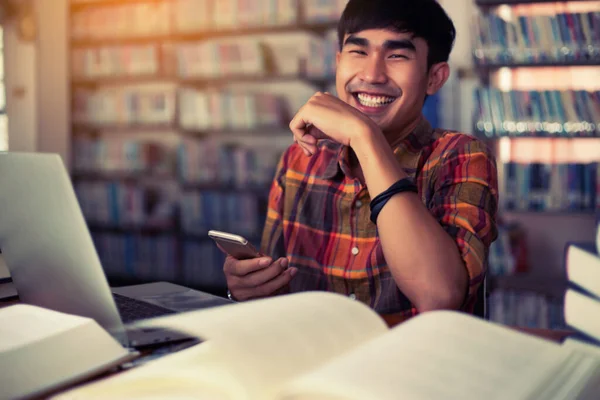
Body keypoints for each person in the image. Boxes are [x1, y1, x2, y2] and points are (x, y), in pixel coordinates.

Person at [222, 0, 498, 317]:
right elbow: (274, 296)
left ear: (434, 78)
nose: (372, 74)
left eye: (397, 55)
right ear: (339, 61)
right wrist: (246, 287)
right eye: (358, 52)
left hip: (412, 364)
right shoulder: (299, 159)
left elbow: (439, 295)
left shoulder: (461, 156)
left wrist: (364, 136)